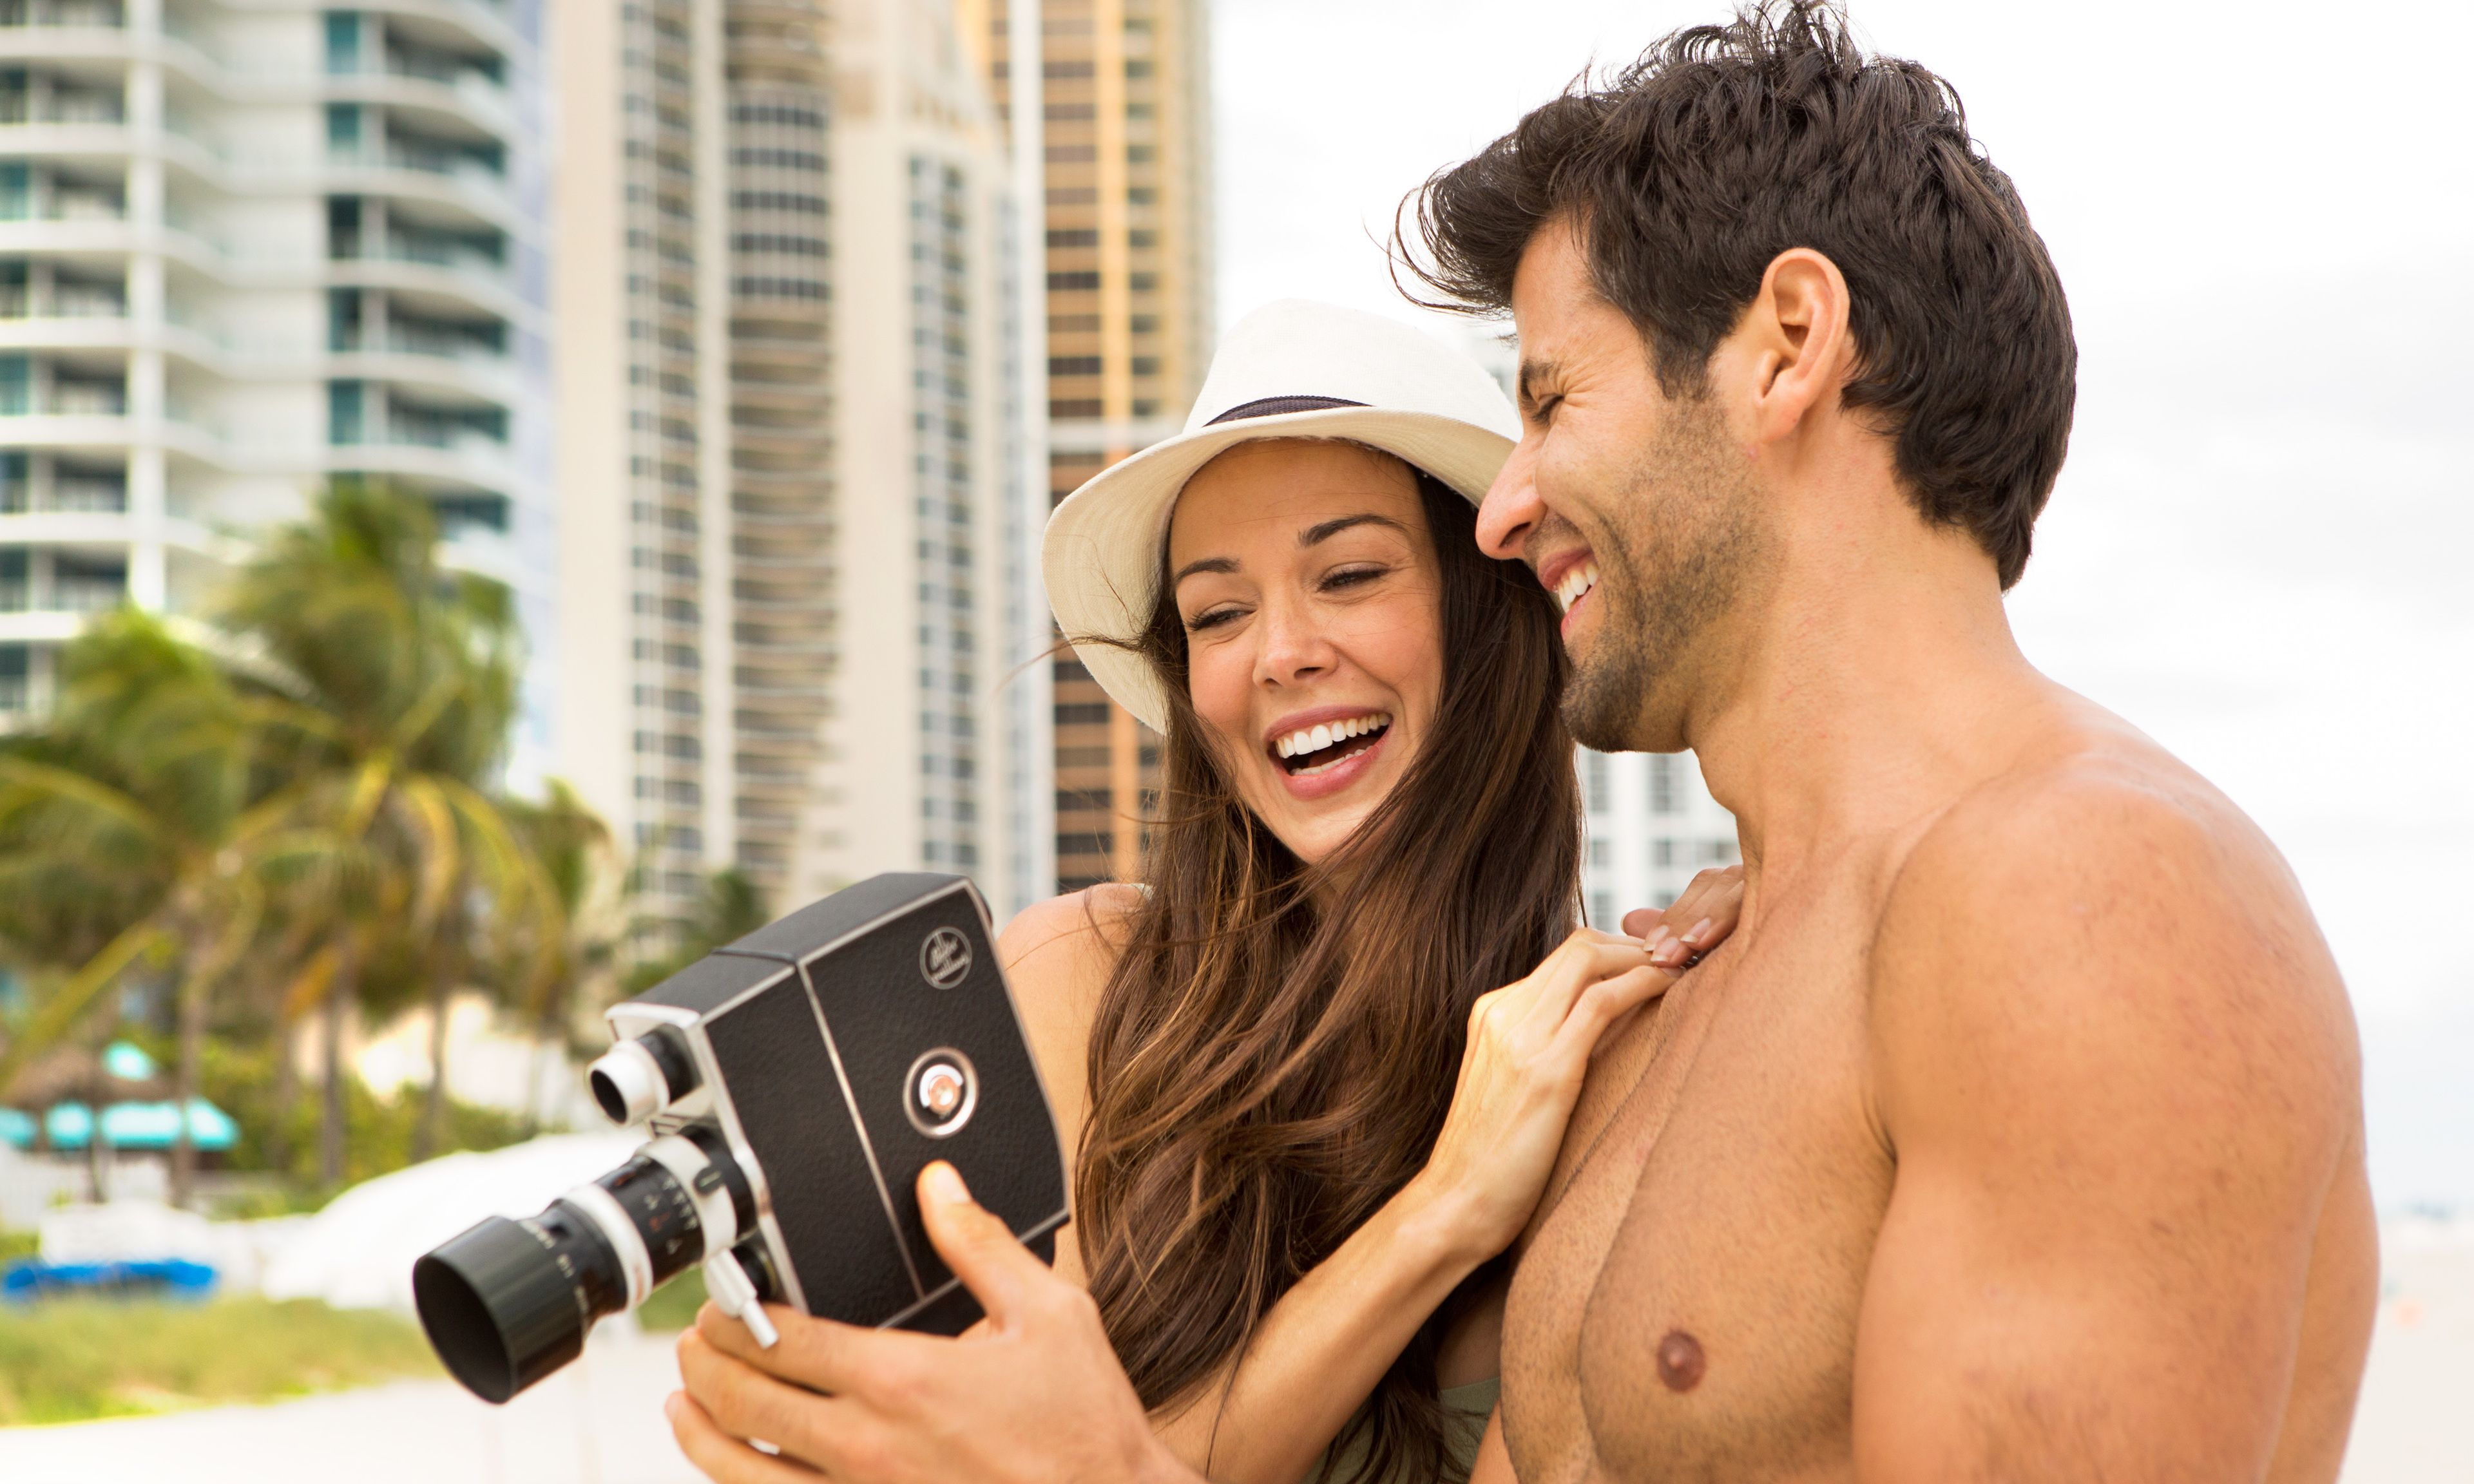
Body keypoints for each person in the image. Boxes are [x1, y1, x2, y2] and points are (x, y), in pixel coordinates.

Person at [665, 5, 2381, 1481]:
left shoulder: (2092, 901)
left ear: (1788, 347)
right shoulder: (1670, 1006)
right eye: (1216, 610)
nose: (1510, 507)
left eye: (1554, 400)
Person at [669, 298, 1746, 1484]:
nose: (1279, 653)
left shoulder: (1608, 1072)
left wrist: (1783, 917)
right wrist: (1444, 1214)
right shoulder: (1085, 988)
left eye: (1348, 574)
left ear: (1491, 617)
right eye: (1219, 613)